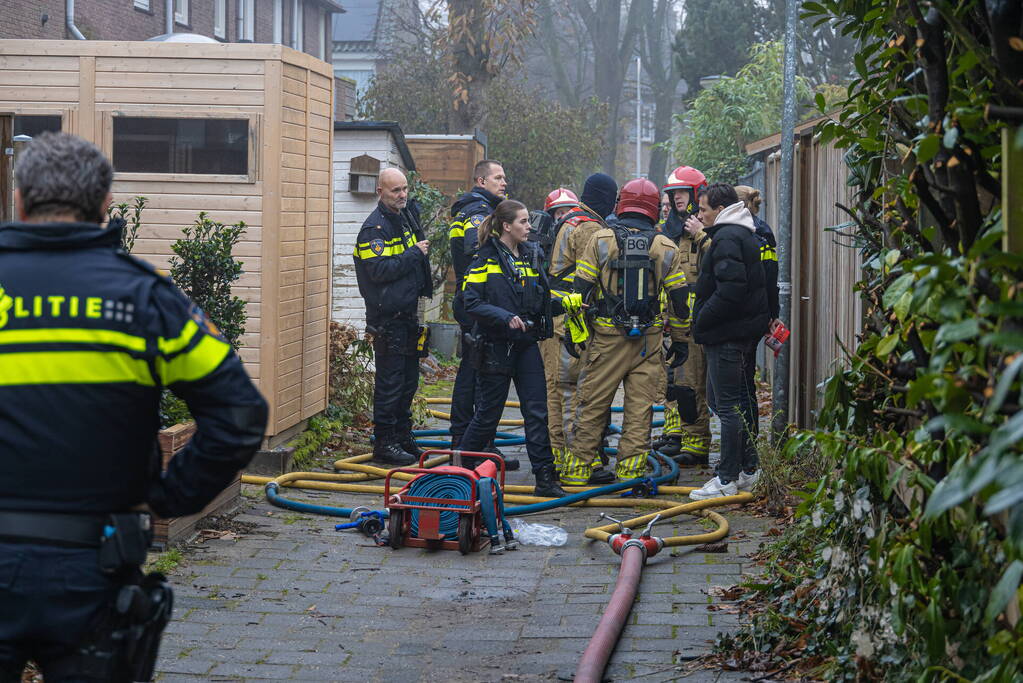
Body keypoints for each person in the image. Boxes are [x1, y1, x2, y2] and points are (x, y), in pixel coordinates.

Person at [0, 132, 268, 681]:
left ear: (20, 199)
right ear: (103, 207)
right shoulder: (145, 298)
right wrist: (170, 496)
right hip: (93, 571)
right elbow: (239, 414)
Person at [562, 179, 691, 486]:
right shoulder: (666, 246)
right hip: (649, 340)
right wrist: (682, 341)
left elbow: (579, 291)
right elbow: (680, 301)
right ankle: (631, 473)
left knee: (592, 403)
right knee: (639, 409)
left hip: (606, 338)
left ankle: (576, 471)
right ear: (653, 209)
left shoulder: (601, 240)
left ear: (622, 204)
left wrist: (573, 332)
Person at [460, 199, 585, 498]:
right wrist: (505, 318)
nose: (529, 227)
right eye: (523, 222)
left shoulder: (530, 255)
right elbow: (471, 303)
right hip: (496, 346)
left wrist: (565, 304)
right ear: (506, 226)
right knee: (488, 415)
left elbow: (536, 300)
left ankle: (544, 478)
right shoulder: (485, 259)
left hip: (527, 344)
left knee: (536, 411)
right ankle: (461, 469)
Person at [686, 183, 770, 500]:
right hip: (738, 332)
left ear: (720, 210)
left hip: (727, 334)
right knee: (730, 403)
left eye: (703, 209)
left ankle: (726, 479)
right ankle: (748, 470)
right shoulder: (739, 234)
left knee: (727, 406)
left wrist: (702, 318)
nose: (699, 214)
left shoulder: (728, 238)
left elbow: (731, 291)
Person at [353, 168, 434, 465]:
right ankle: (384, 443)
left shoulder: (404, 220)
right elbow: (378, 271)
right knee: (390, 384)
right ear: (380, 192)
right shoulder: (374, 229)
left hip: (409, 316)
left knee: (408, 382)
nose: (402, 195)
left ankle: (402, 436)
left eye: (404, 189)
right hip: (388, 319)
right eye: (395, 191)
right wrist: (414, 254)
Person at [537, 188, 613, 483]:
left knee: (555, 391)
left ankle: (560, 458)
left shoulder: (568, 222)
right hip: (571, 322)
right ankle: (579, 463)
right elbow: (591, 275)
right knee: (572, 391)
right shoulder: (588, 227)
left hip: (554, 320)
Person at [446, 160, 515, 467]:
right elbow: (481, 258)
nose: (504, 182)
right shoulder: (477, 213)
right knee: (475, 373)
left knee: (473, 371)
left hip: (473, 303)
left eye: (504, 177)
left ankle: (471, 442)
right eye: (498, 177)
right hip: (477, 305)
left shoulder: (479, 208)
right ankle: (470, 444)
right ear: (480, 180)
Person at [654, 166, 713, 465]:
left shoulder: (704, 229)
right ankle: (675, 434)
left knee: (691, 384)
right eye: (673, 193)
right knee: (672, 382)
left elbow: (717, 263)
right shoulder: (670, 231)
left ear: (694, 194)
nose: (676, 198)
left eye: (681, 192)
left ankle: (696, 442)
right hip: (670, 320)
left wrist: (700, 234)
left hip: (693, 321)